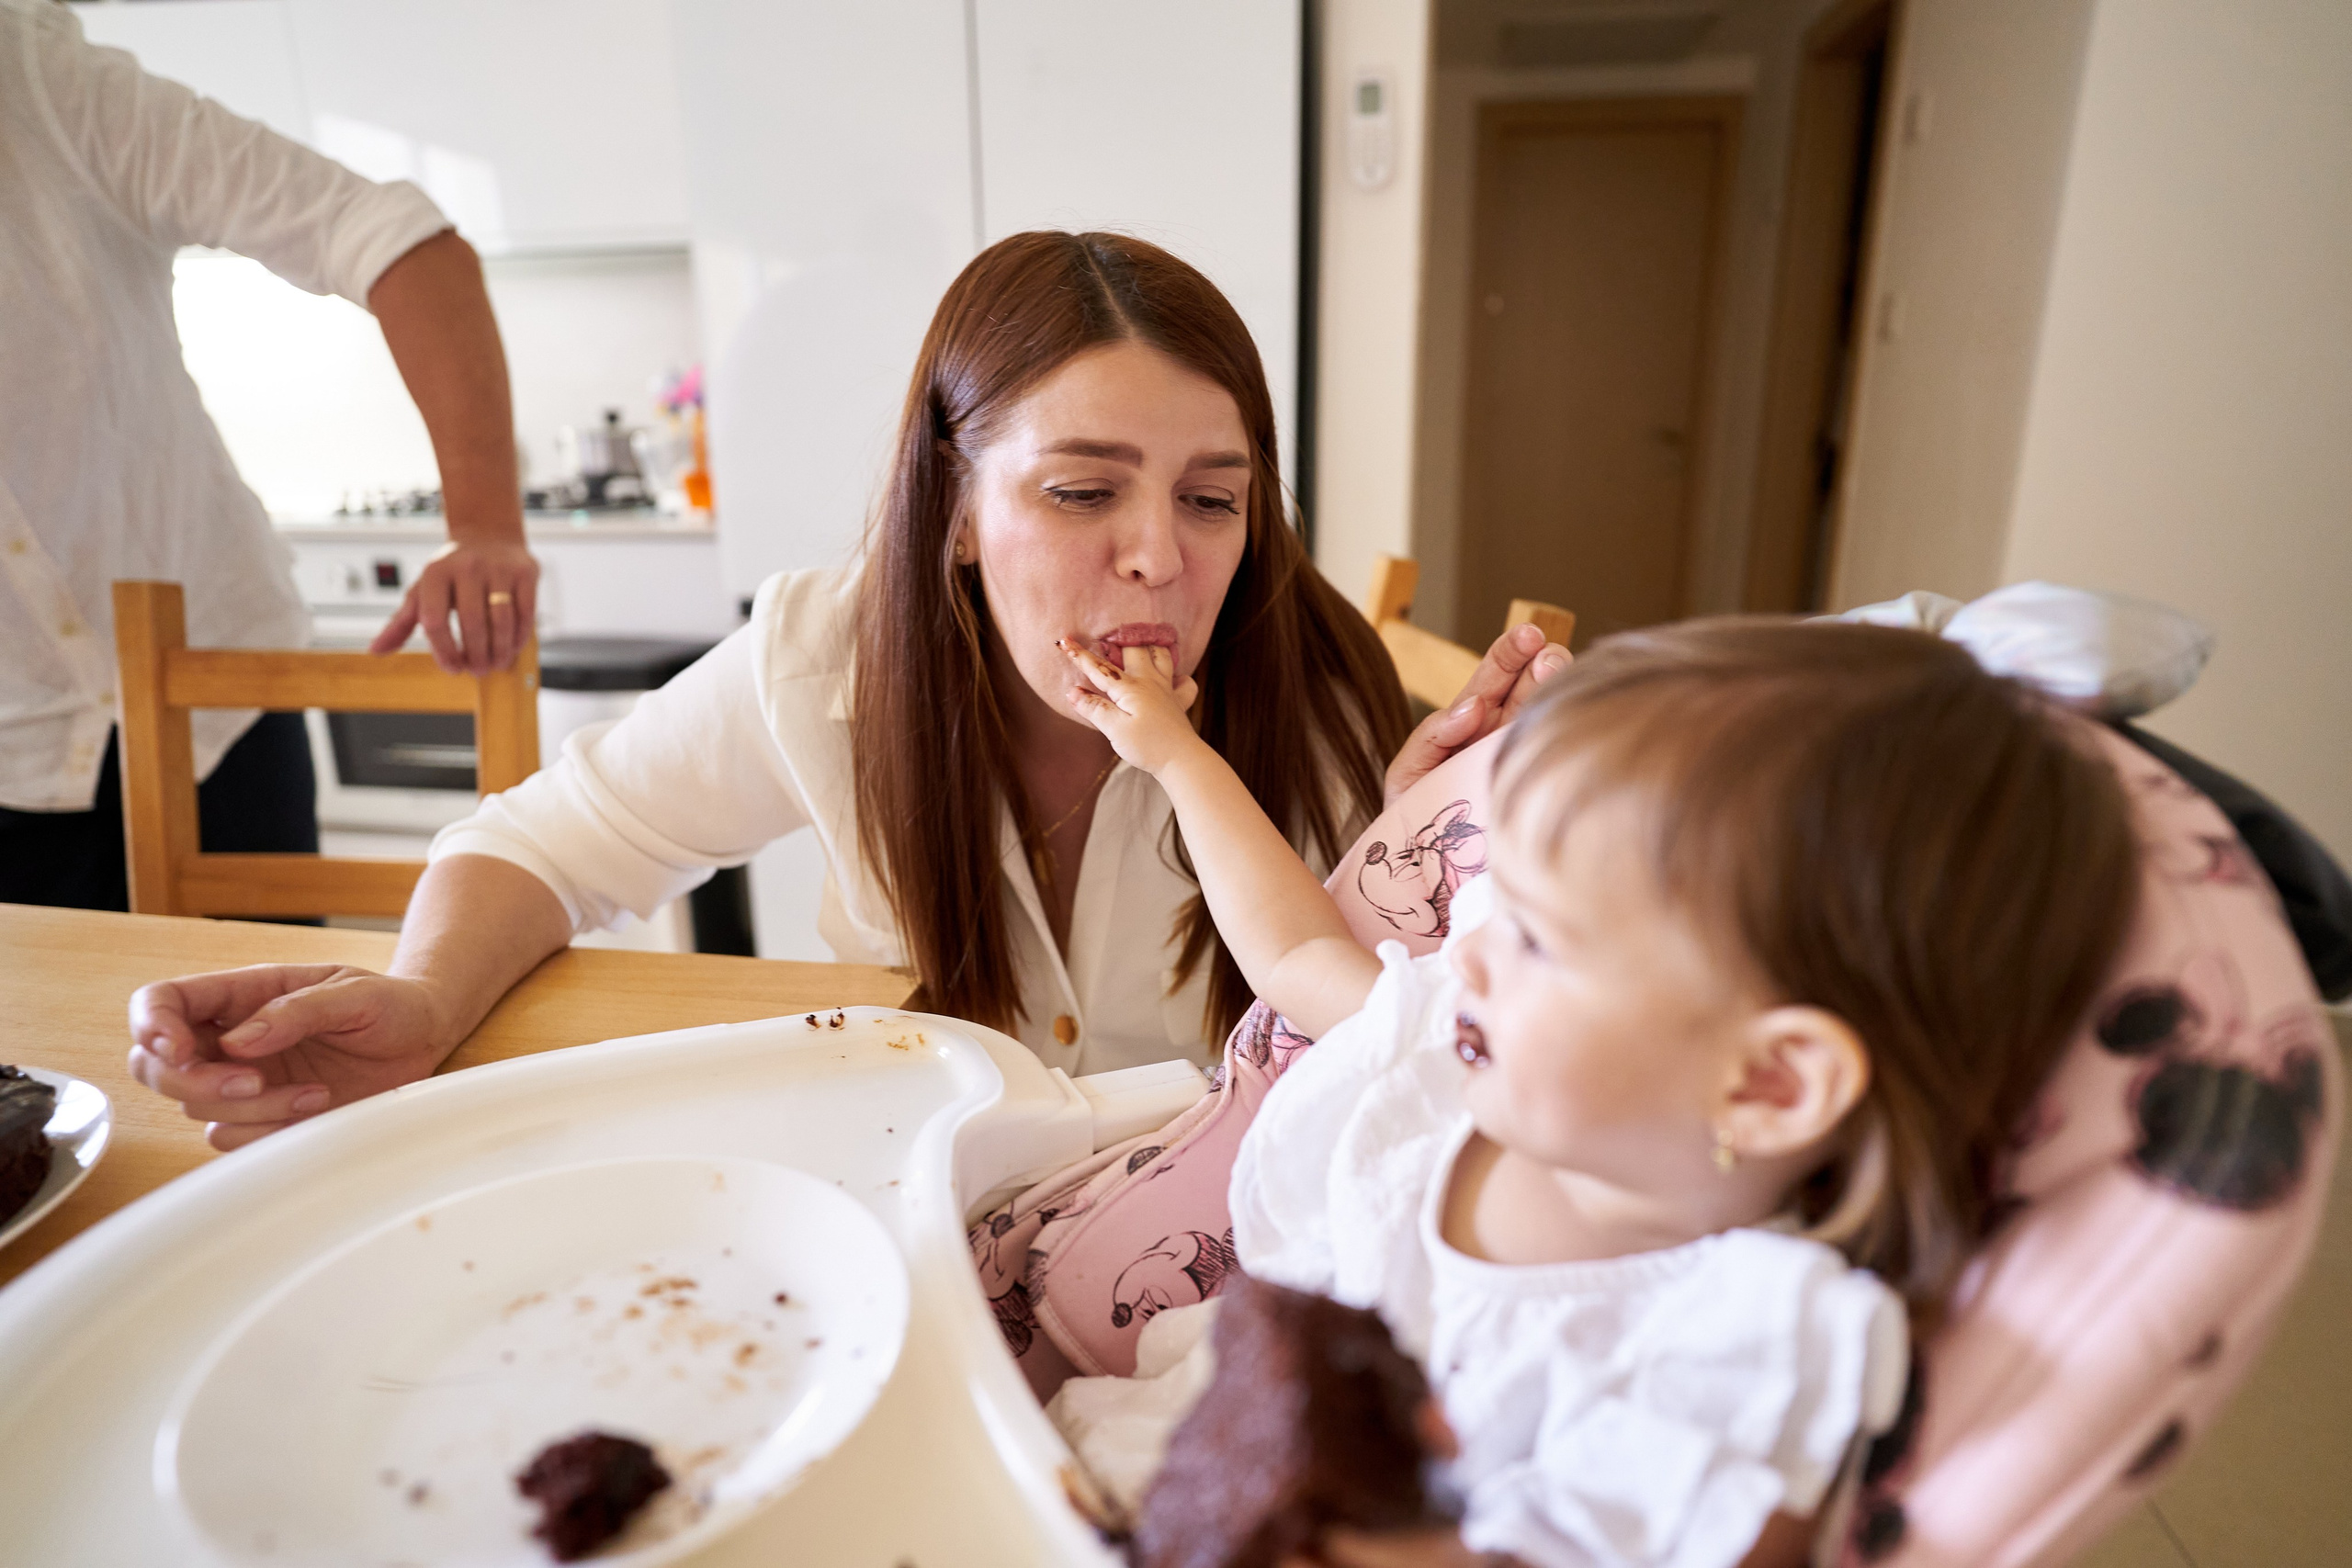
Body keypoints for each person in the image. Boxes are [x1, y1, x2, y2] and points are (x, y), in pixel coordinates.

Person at [127, 231, 1566, 1148]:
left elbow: (1421, 1027)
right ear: (952, 505)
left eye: (1213, 499)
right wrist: (424, 997)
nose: (1157, 562)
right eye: (1081, 491)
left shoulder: (1309, 685)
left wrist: (1426, 829)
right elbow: (538, 843)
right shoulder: (827, 659)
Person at [1043, 619, 2141, 1567]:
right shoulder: (1454, 1060)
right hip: (1090, 1467)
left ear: (1765, 1082)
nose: (1467, 954)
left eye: (1537, 936)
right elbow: (1290, 950)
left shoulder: (1737, 1353)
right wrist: (1174, 755)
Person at [0, 0, 537, 911]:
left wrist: (484, 524)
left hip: (223, 708)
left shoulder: (40, 83)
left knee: (273, 1032)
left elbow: (399, 242)